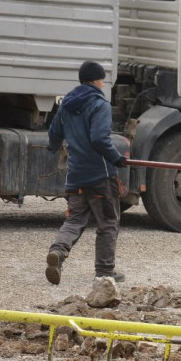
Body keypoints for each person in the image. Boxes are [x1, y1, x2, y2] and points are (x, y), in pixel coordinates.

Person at [45, 60, 128, 287]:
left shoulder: (67, 103)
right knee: (108, 222)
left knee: (75, 219)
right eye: (102, 79)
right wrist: (117, 158)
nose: (103, 84)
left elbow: (53, 134)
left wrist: (53, 149)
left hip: (76, 175)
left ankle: (58, 251)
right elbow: (100, 138)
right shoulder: (99, 104)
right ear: (96, 80)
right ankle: (104, 273)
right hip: (100, 175)